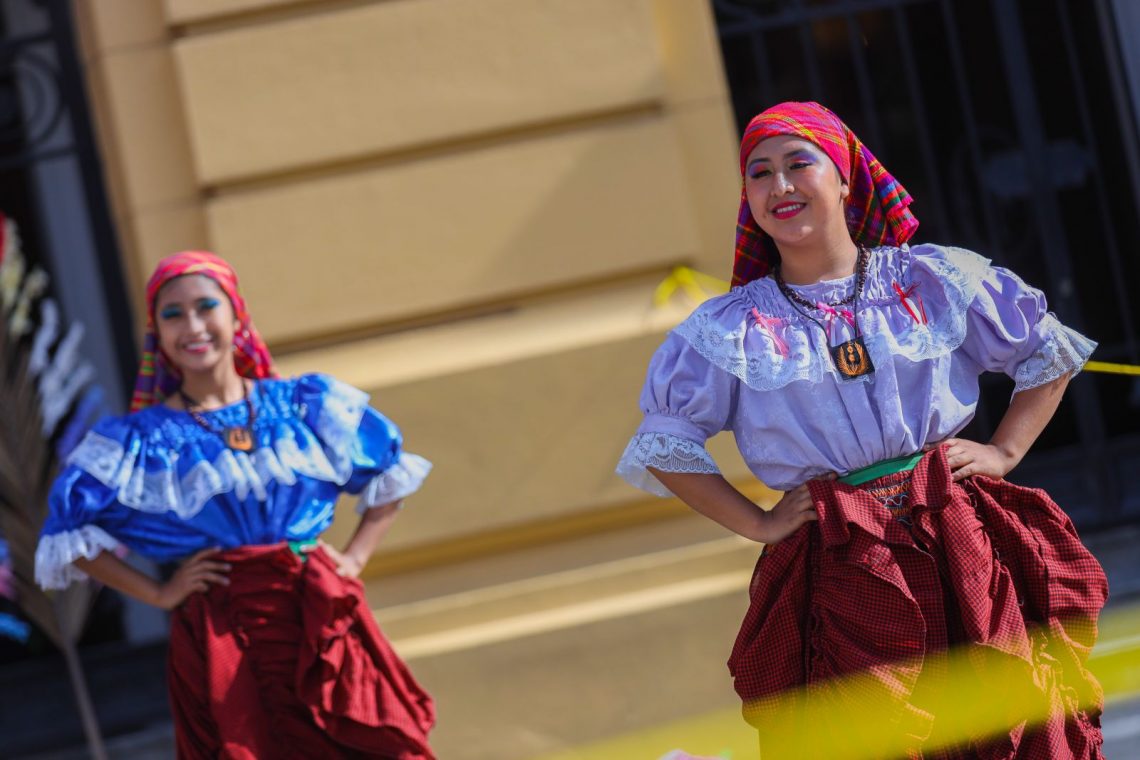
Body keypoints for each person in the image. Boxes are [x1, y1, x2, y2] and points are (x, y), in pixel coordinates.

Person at [617, 102, 1107, 758]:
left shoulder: (930, 279)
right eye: (759, 174)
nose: (780, 186)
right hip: (842, 556)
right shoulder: (730, 327)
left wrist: (1005, 449)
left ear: (845, 176)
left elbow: (1046, 352)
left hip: (957, 533)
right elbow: (666, 444)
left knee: (1007, 724)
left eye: (799, 163)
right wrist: (759, 523)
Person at [35, 251, 436, 759]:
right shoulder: (139, 440)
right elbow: (68, 536)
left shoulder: (304, 404)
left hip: (317, 613)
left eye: (206, 306)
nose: (193, 326)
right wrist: (160, 595)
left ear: (237, 315)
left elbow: (390, 472)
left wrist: (354, 559)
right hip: (221, 631)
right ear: (157, 333)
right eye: (173, 314)